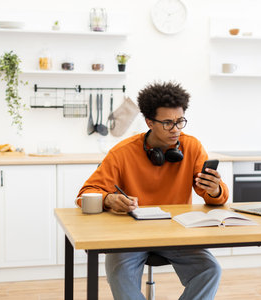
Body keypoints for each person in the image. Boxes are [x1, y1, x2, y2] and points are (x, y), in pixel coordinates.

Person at [76, 81, 229, 300]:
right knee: (120, 275)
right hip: (129, 235)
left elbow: (214, 197)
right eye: (167, 123)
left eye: (179, 122)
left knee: (210, 270)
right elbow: (85, 194)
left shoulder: (192, 147)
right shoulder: (122, 152)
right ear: (149, 122)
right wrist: (109, 199)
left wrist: (214, 190)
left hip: (176, 232)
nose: (175, 129)